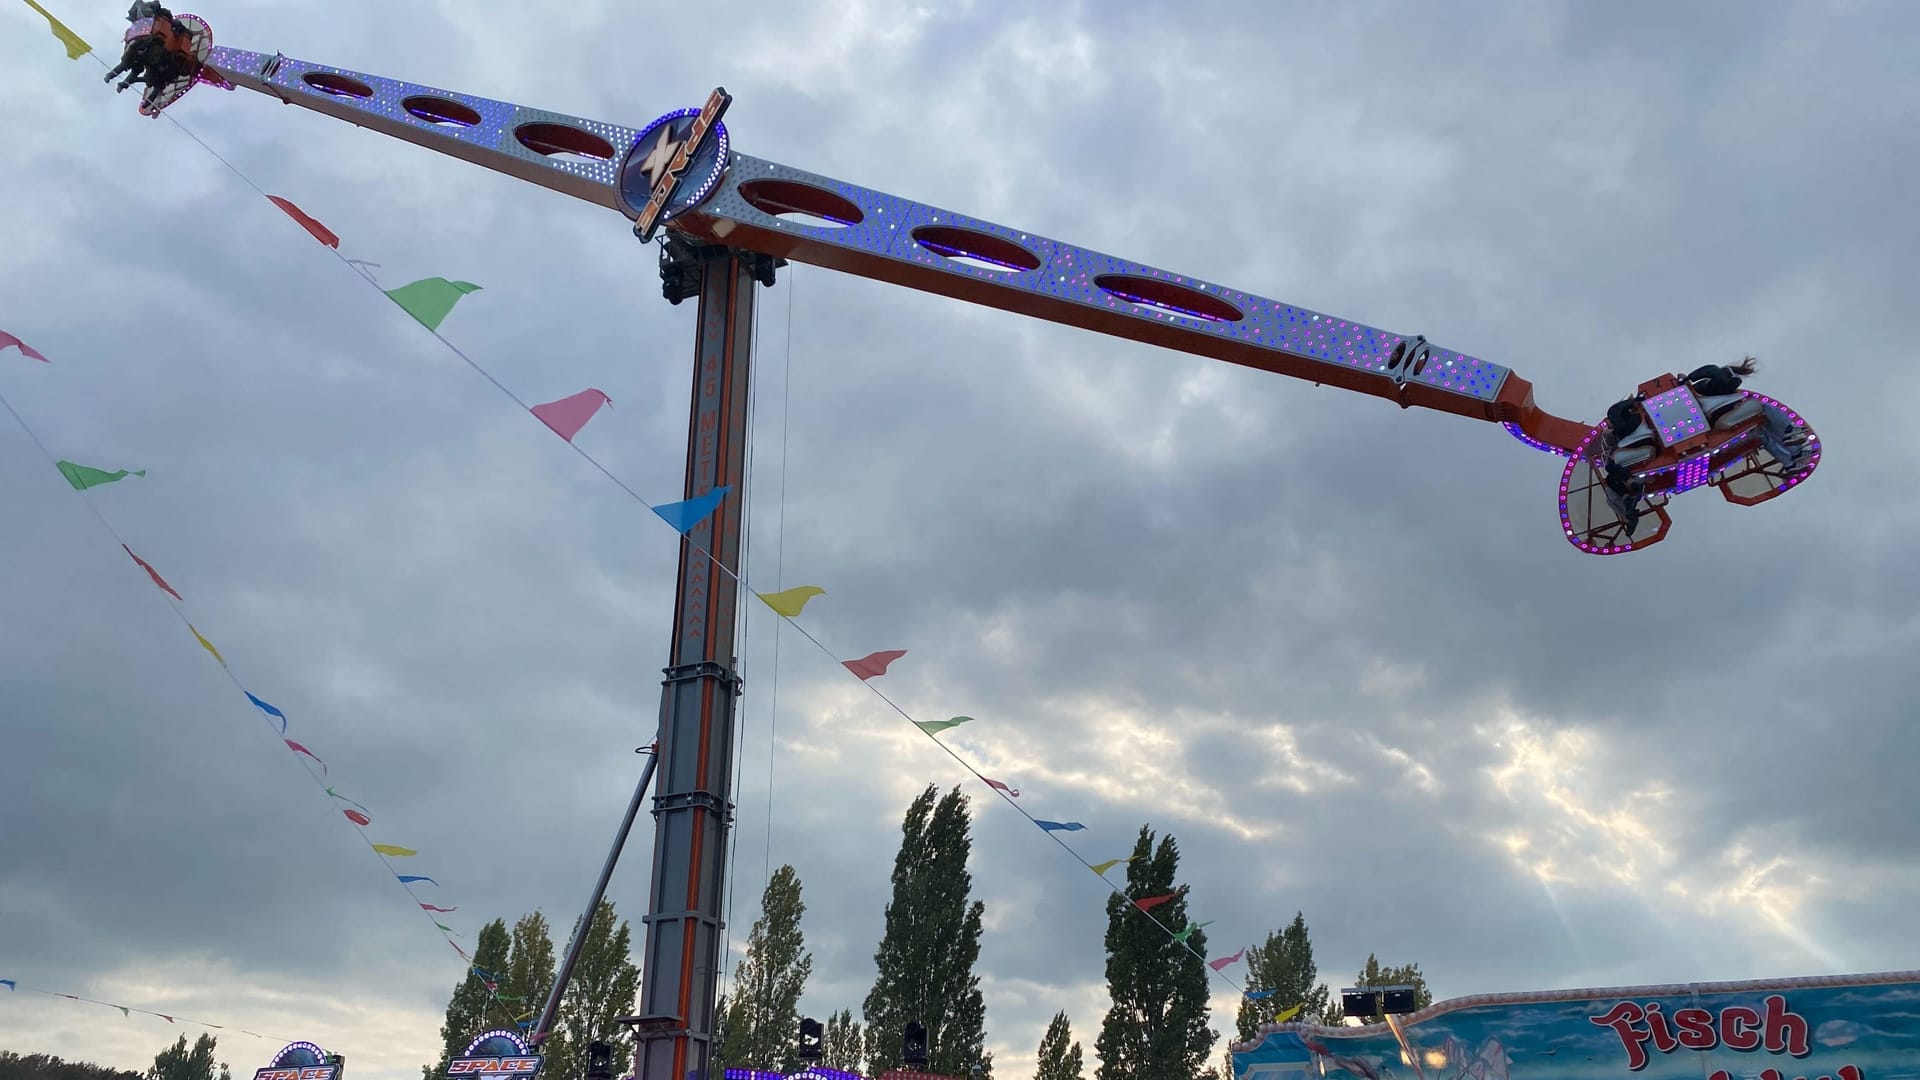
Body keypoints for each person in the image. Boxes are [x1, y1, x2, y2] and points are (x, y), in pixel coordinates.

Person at [1686, 355, 1759, 397]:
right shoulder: (1731, 384)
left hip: (1702, 393)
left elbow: (1704, 371)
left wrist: (1688, 378)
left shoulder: (1717, 371)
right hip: (1706, 395)